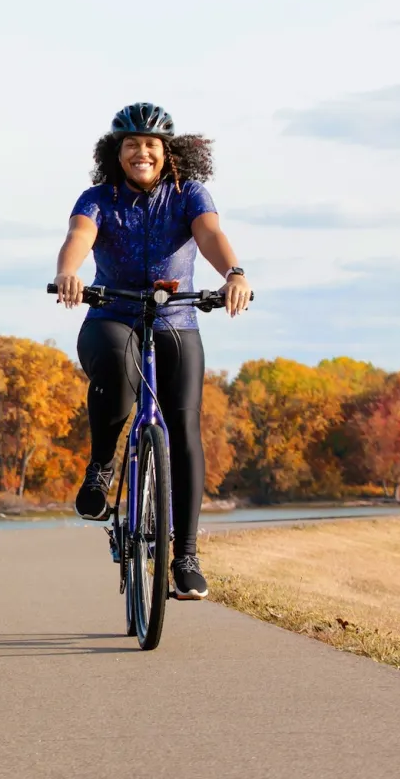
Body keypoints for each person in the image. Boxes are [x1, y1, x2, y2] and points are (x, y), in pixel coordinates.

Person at [52, 103, 250, 601]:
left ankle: (184, 556)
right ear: (116, 153)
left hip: (175, 318)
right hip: (111, 315)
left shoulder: (188, 195)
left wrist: (234, 274)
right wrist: (69, 274)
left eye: (151, 145)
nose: (142, 152)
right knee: (117, 370)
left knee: (183, 428)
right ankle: (101, 465)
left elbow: (210, 234)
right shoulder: (99, 198)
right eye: (132, 145)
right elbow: (80, 235)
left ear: (167, 153)